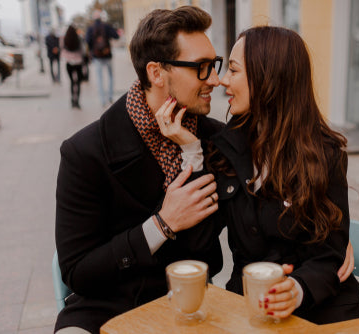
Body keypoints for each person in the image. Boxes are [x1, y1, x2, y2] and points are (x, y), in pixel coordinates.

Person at [157, 25, 359, 325]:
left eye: (235, 70)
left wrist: (297, 289)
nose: (223, 81)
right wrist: (191, 151)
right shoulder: (223, 148)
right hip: (247, 310)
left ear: (268, 79)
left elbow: (331, 254)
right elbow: (198, 244)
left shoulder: (326, 154)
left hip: (321, 312)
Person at [54, 7, 223, 333]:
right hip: (105, 307)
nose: (214, 80)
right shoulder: (85, 152)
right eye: (201, 68)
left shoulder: (211, 138)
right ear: (157, 73)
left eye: (214, 65)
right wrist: (162, 225)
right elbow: (77, 272)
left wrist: (192, 152)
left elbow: (208, 252)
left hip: (188, 305)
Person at [86, 9, 119, 107]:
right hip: (107, 54)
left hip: (97, 57)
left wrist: (92, 49)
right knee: (110, 76)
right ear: (101, 17)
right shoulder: (106, 26)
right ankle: (110, 96)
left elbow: (87, 40)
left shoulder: (90, 28)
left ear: (93, 18)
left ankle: (102, 100)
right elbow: (116, 36)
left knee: (99, 78)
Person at [61, 25, 85, 109]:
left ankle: (72, 100)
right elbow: (82, 50)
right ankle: (77, 101)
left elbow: (62, 50)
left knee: (72, 82)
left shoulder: (64, 39)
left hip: (69, 63)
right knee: (78, 83)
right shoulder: (78, 38)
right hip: (78, 62)